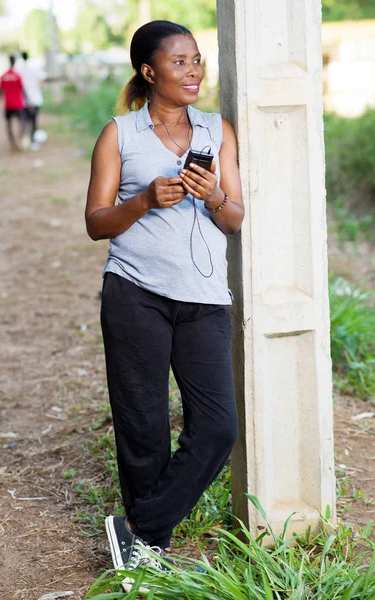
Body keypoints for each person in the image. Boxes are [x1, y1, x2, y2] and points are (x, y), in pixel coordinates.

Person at [85, 20, 244, 585]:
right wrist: (147, 200)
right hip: (135, 292)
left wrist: (214, 194)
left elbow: (234, 218)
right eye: (180, 62)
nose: (194, 70)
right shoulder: (120, 134)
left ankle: (139, 529)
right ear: (150, 72)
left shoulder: (215, 128)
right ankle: (150, 554)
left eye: (197, 60)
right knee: (143, 425)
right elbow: (96, 222)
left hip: (203, 296)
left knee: (218, 425)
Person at [19, 51, 45, 150]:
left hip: (24, 101)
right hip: (35, 99)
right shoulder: (34, 68)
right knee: (34, 121)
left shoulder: (20, 70)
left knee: (26, 120)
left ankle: (27, 139)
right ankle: (33, 141)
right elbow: (42, 79)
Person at [0, 55, 26, 151]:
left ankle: (12, 143)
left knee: (9, 125)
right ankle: (20, 140)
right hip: (18, 103)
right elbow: (22, 89)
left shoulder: (3, 76)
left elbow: (0, 91)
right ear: (15, 62)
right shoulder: (17, 75)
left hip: (8, 104)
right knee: (21, 122)